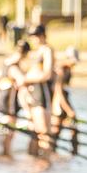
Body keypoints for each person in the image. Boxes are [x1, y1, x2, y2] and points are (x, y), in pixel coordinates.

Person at [20, 24, 54, 165]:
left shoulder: (47, 50)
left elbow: (47, 74)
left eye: (34, 37)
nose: (32, 40)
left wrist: (26, 80)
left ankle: (45, 162)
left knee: (43, 131)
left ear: (41, 36)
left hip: (41, 93)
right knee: (34, 131)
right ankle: (33, 163)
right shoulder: (37, 51)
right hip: (32, 93)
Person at [0, 40, 31, 158]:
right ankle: (7, 154)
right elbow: (22, 83)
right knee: (10, 130)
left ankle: (5, 153)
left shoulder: (6, 62)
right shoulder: (14, 66)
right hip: (10, 99)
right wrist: (27, 108)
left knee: (8, 128)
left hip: (3, 96)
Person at [51, 47, 79, 154]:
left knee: (72, 127)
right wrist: (68, 110)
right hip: (59, 104)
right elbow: (58, 90)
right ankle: (52, 153)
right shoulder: (62, 69)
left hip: (64, 101)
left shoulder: (68, 69)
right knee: (56, 130)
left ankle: (74, 153)